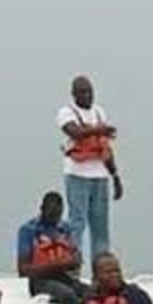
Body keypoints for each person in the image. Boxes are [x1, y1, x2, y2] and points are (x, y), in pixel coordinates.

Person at [58, 75, 121, 261]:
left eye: (90, 92)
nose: (87, 96)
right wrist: (99, 130)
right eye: (83, 92)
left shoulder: (99, 112)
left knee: (100, 226)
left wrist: (115, 176)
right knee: (77, 223)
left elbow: (106, 147)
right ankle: (73, 268)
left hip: (100, 176)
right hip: (77, 174)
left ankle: (100, 270)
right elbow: (74, 132)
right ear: (74, 94)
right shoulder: (66, 112)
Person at [16, 191, 89, 304]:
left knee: (91, 293)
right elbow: (23, 270)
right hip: (40, 281)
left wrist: (74, 261)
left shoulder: (65, 228)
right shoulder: (28, 230)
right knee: (68, 296)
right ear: (41, 209)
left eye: (57, 215)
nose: (54, 219)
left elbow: (76, 257)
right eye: (50, 214)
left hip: (64, 277)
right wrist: (56, 266)